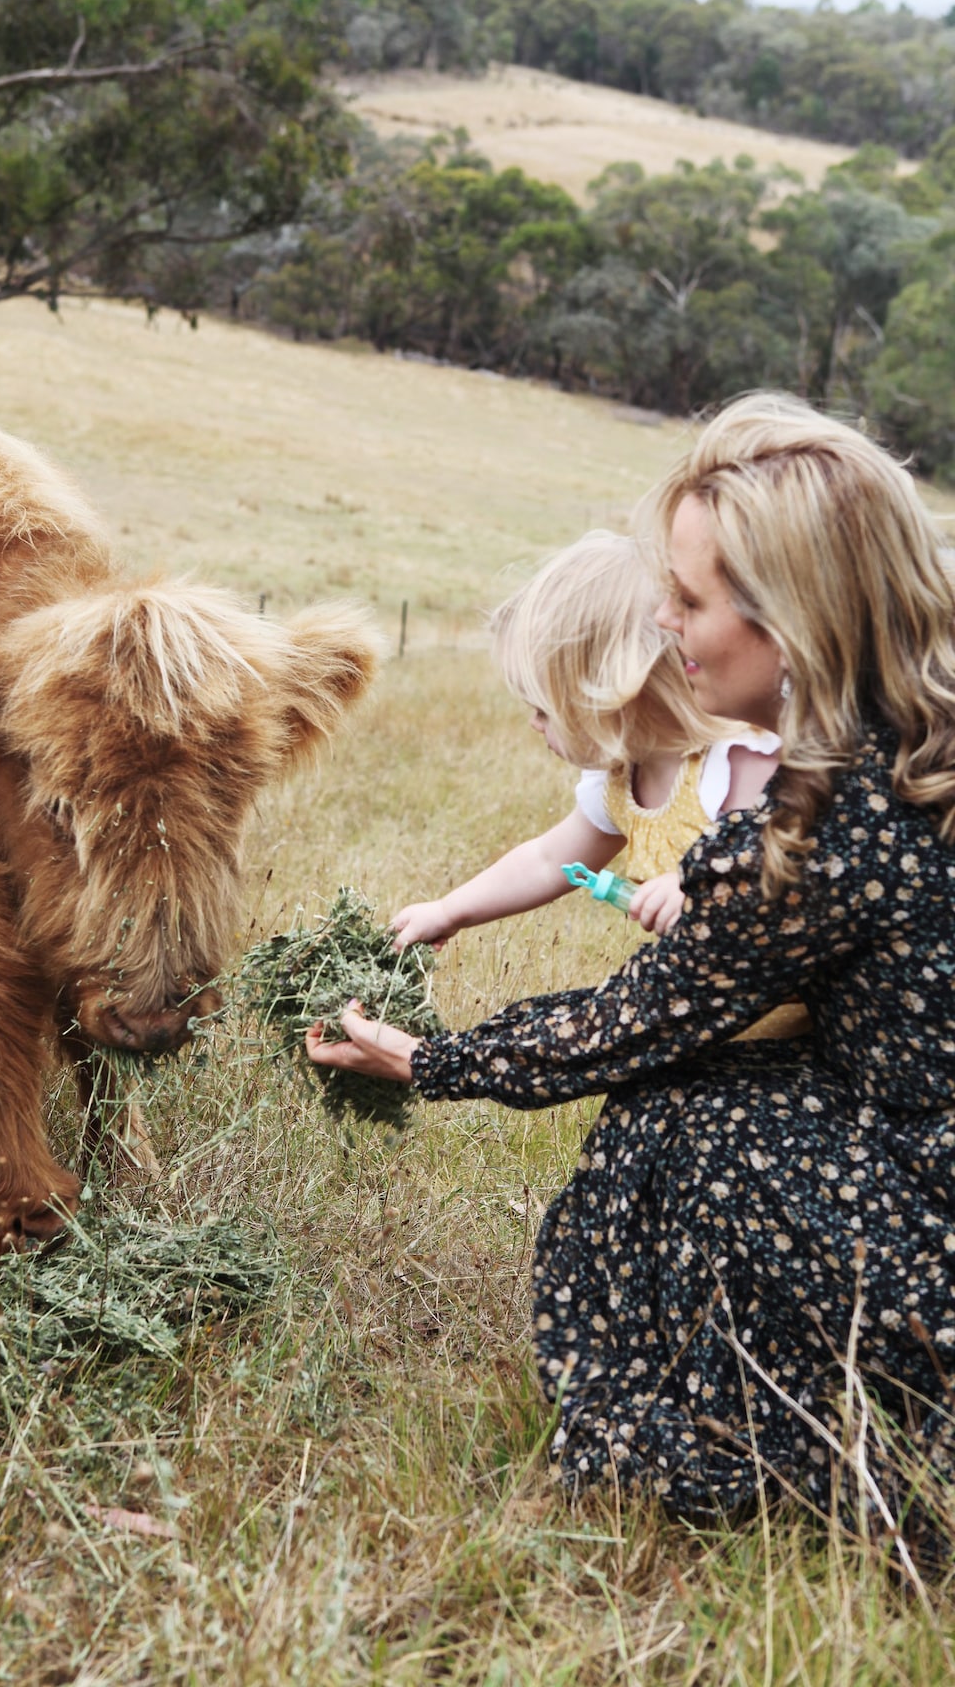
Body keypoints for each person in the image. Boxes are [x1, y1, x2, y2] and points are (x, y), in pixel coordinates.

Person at [308, 393, 955, 1523]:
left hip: (929, 1179)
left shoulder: (837, 824)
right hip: (910, 1119)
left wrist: (435, 1059)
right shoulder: (899, 738)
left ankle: (824, 1442)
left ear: (794, 620)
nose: (663, 619)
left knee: (685, 1117)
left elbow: (640, 1018)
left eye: (691, 599)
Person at [390, 530, 781, 946]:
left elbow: (807, 875)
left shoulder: (734, 767)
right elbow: (547, 861)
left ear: (613, 700)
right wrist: (449, 911)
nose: (534, 724)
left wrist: (705, 885)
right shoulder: (620, 782)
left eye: (545, 710)